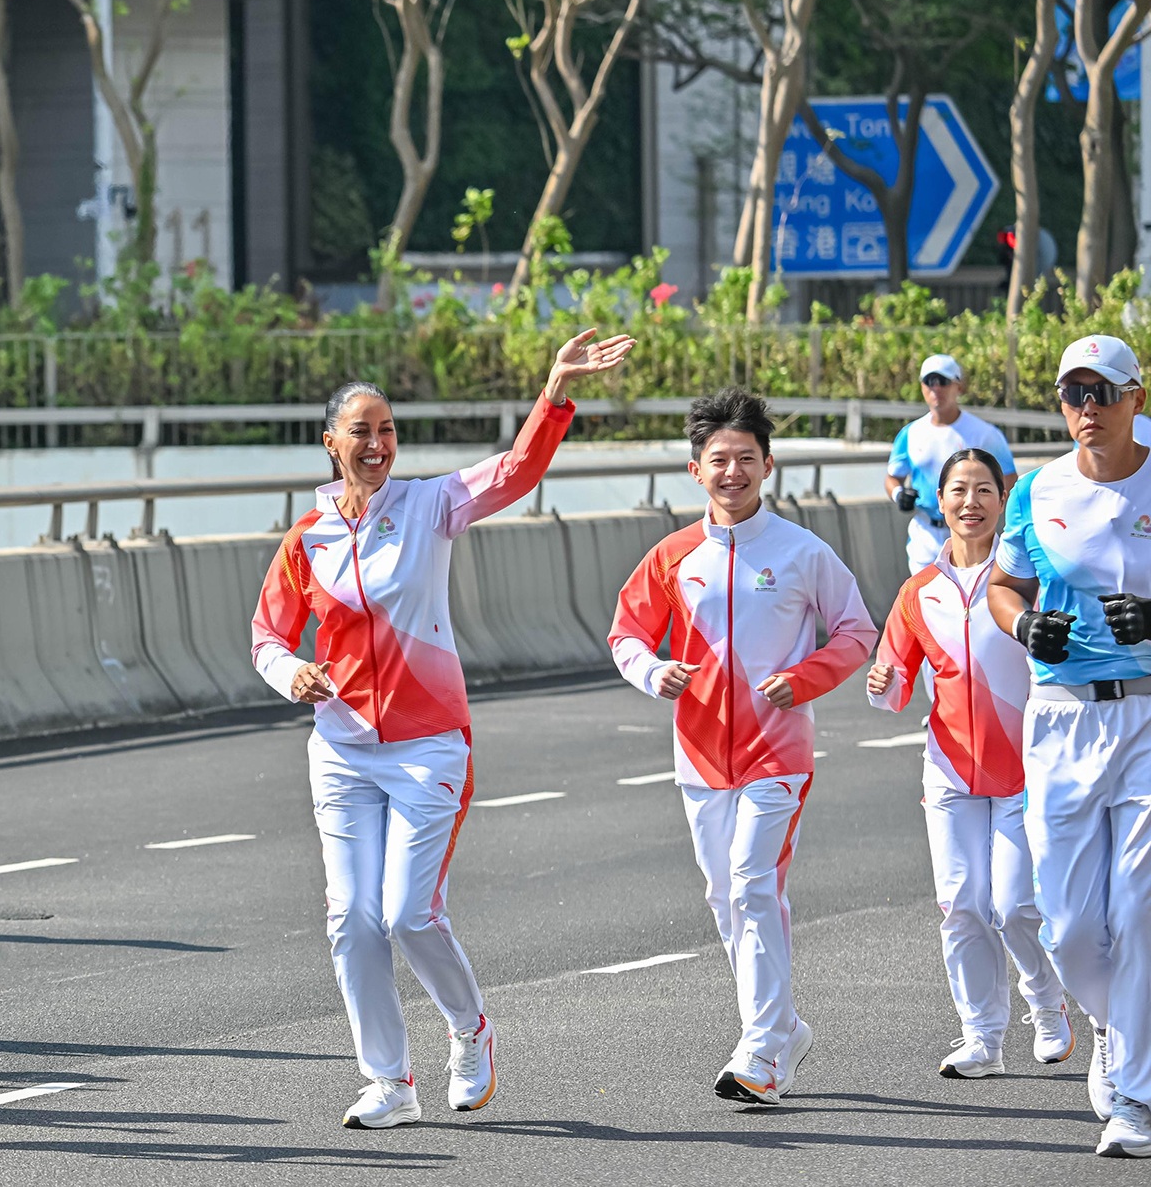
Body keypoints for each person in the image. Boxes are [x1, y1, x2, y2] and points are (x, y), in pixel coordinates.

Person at [250, 329, 635, 1130]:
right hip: (342, 750)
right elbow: (267, 636)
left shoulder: (429, 505)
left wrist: (554, 390)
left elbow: (516, 471)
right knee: (350, 920)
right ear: (330, 443)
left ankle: (469, 1029)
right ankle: (389, 1082)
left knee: (409, 914)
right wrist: (293, 673)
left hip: (428, 746)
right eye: (361, 431)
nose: (378, 444)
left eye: (388, 429)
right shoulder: (307, 538)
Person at [610, 387, 876, 1106]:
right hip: (698, 753)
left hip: (776, 752)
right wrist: (653, 671)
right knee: (725, 895)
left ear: (768, 465)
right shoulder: (674, 556)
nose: (733, 472)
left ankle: (760, 1050)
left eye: (747, 459)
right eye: (719, 460)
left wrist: (805, 678)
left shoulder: (801, 552)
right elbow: (626, 634)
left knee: (754, 884)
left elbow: (857, 631)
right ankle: (784, 1027)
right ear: (696, 470)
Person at [988, 334, 1151, 1158]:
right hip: (1060, 716)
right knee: (1069, 927)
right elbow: (1003, 584)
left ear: (1136, 398)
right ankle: (1118, 1026)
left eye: (1103, 392)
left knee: (1140, 906)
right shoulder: (1036, 489)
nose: (1087, 408)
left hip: (1149, 711)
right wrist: (1024, 625)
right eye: (1072, 394)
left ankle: (1137, 1099)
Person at [867, 448, 1074, 1079]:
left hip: (1023, 769)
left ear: (1003, 498)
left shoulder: (1024, 584)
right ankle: (981, 1036)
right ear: (940, 500)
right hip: (951, 770)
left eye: (984, 489)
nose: (971, 502)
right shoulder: (918, 592)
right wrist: (881, 682)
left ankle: (1047, 1002)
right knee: (960, 905)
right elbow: (894, 685)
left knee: (1014, 907)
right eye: (958, 490)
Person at [887, 354, 1018, 573]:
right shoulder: (911, 433)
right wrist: (898, 494)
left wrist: (983, 510)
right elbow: (893, 477)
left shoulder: (985, 434)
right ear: (922, 386)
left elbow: (1009, 479)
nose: (936, 388)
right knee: (925, 594)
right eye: (929, 381)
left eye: (943, 381)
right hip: (926, 535)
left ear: (959, 386)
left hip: (972, 532)